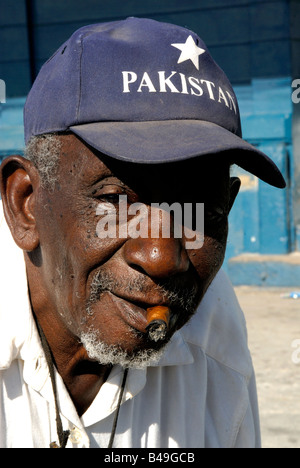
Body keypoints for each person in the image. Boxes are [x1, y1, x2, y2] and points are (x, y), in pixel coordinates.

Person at [0, 17, 285, 449]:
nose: (163, 258)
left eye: (200, 211)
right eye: (114, 199)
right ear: (27, 205)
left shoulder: (214, 330)